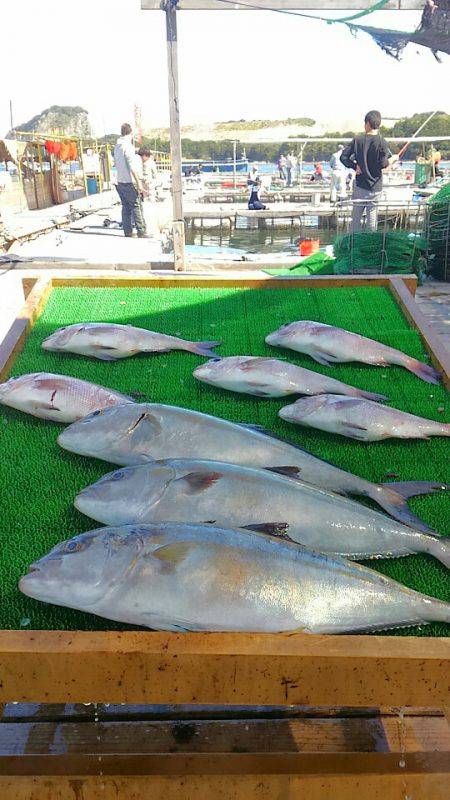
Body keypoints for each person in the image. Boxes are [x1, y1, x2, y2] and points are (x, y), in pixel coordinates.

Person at [340, 110, 399, 232]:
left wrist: (355, 166)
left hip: (360, 185)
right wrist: (392, 159)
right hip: (375, 186)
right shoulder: (382, 142)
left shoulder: (357, 139)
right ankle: (371, 247)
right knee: (372, 221)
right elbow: (383, 164)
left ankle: (352, 244)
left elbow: (343, 157)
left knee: (355, 219)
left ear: (367, 123)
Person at [113, 123, 147, 238]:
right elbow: (132, 168)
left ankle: (128, 232)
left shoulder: (117, 146)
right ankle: (141, 231)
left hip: (119, 181)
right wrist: (140, 184)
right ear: (131, 133)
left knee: (125, 207)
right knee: (136, 205)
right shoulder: (128, 146)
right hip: (128, 181)